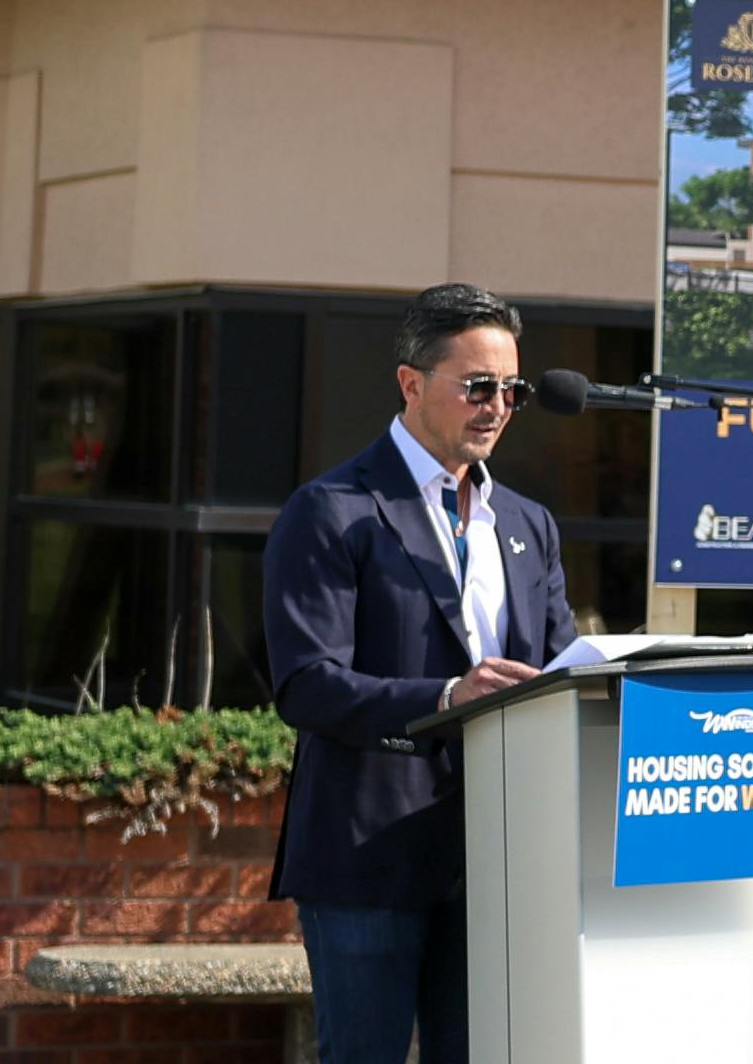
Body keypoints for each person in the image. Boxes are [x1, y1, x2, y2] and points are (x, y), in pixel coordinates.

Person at [263, 283, 576, 1064]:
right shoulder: (332, 509)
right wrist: (445, 697)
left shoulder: (528, 524)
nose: (497, 407)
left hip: (501, 855)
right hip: (369, 855)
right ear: (411, 383)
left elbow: (561, 667)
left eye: (513, 391)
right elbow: (307, 684)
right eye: (477, 387)